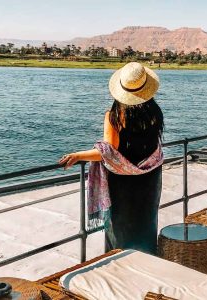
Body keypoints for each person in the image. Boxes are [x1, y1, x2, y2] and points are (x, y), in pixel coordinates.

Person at [59, 62, 164, 254]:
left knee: (120, 229)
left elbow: (107, 151)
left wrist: (78, 155)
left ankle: (119, 266)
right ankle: (148, 263)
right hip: (150, 178)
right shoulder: (155, 113)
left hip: (122, 184)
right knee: (146, 221)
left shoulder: (115, 116)